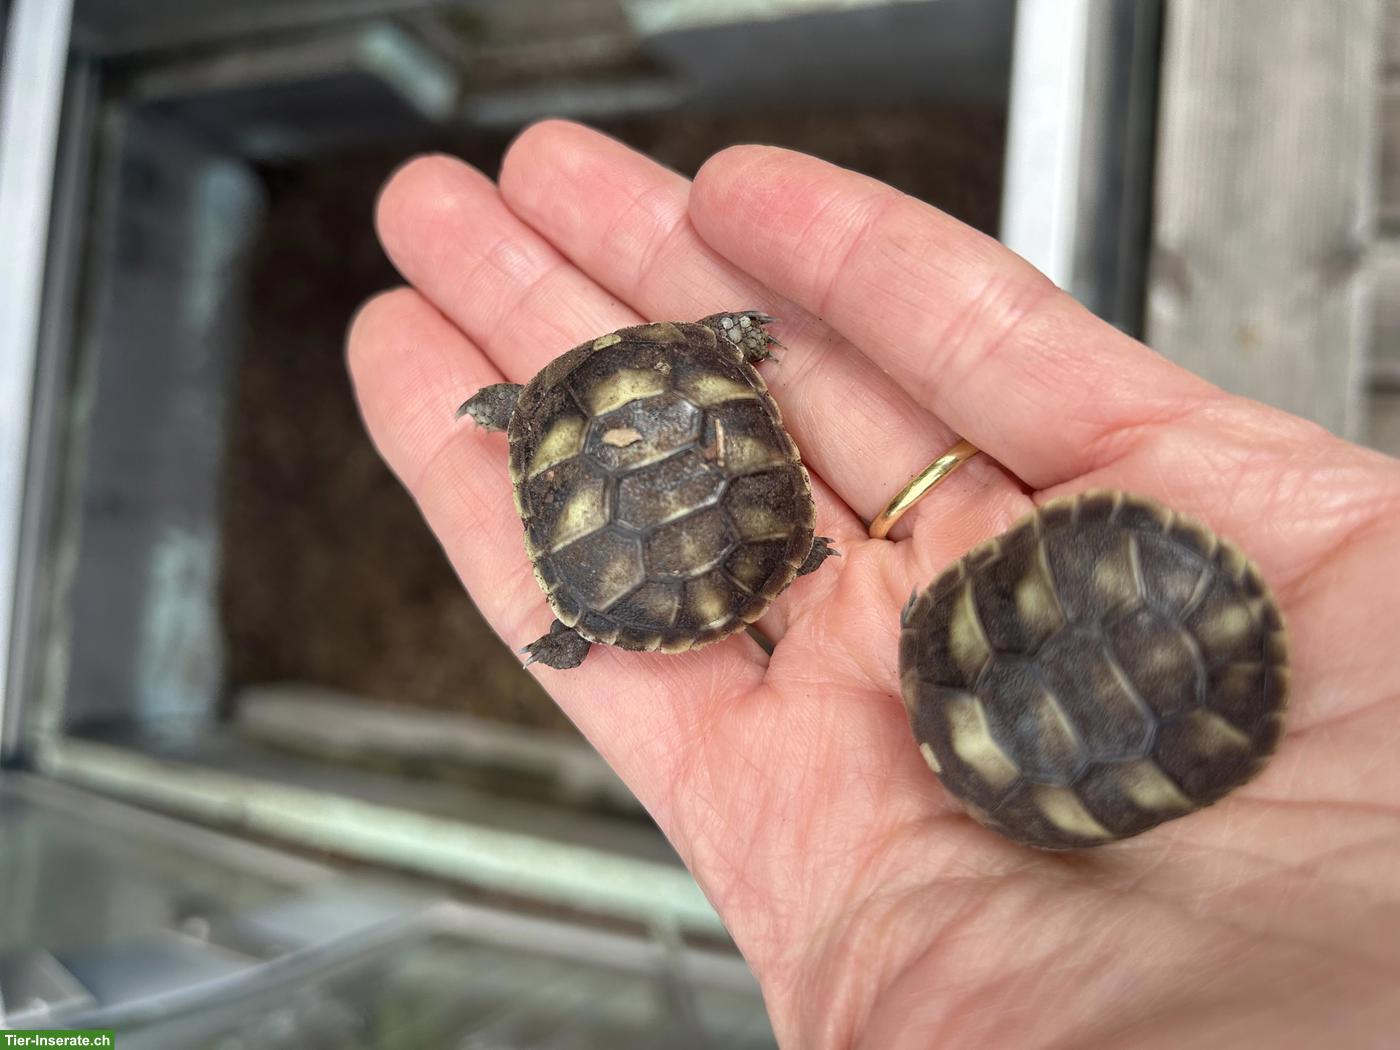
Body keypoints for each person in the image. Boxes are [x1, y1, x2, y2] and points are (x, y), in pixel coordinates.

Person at [347, 120, 1400, 1048]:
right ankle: (633, 596)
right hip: (747, 500)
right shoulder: (576, 406)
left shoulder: (551, 415)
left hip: (778, 533)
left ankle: (610, 607)